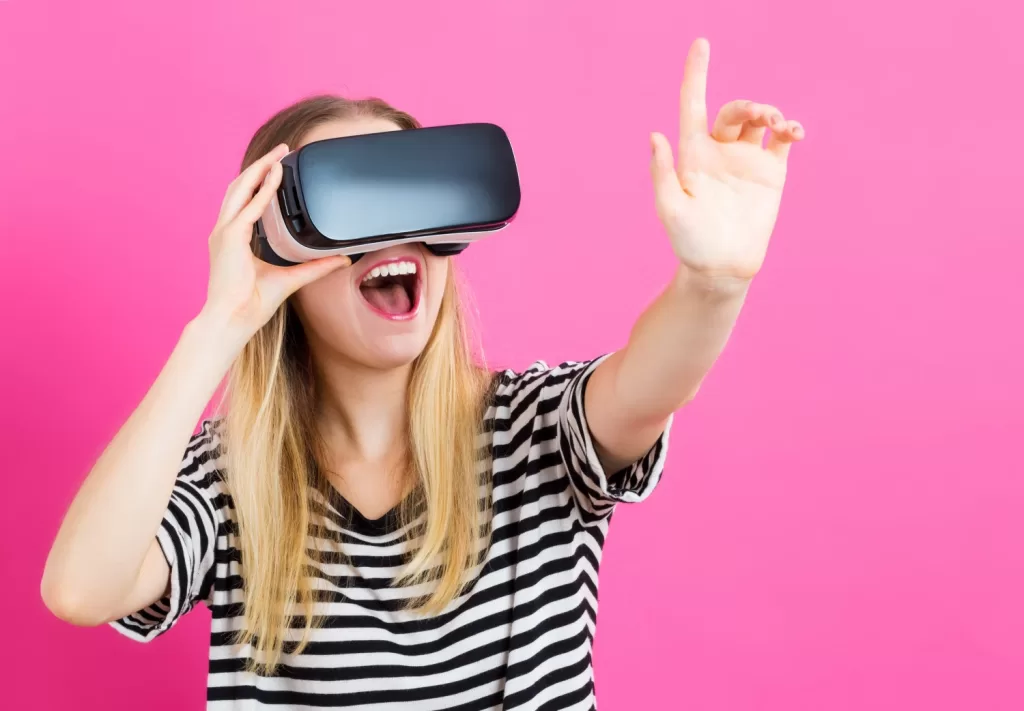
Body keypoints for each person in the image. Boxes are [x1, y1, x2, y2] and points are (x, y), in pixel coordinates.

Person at [41, 38, 804, 710]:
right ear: (280, 251)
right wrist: (219, 327)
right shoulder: (230, 477)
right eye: (356, 202)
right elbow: (81, 589)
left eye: (416, 197)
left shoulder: (533, 429)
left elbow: (651, 381)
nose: (396, 232)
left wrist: (714, 283)